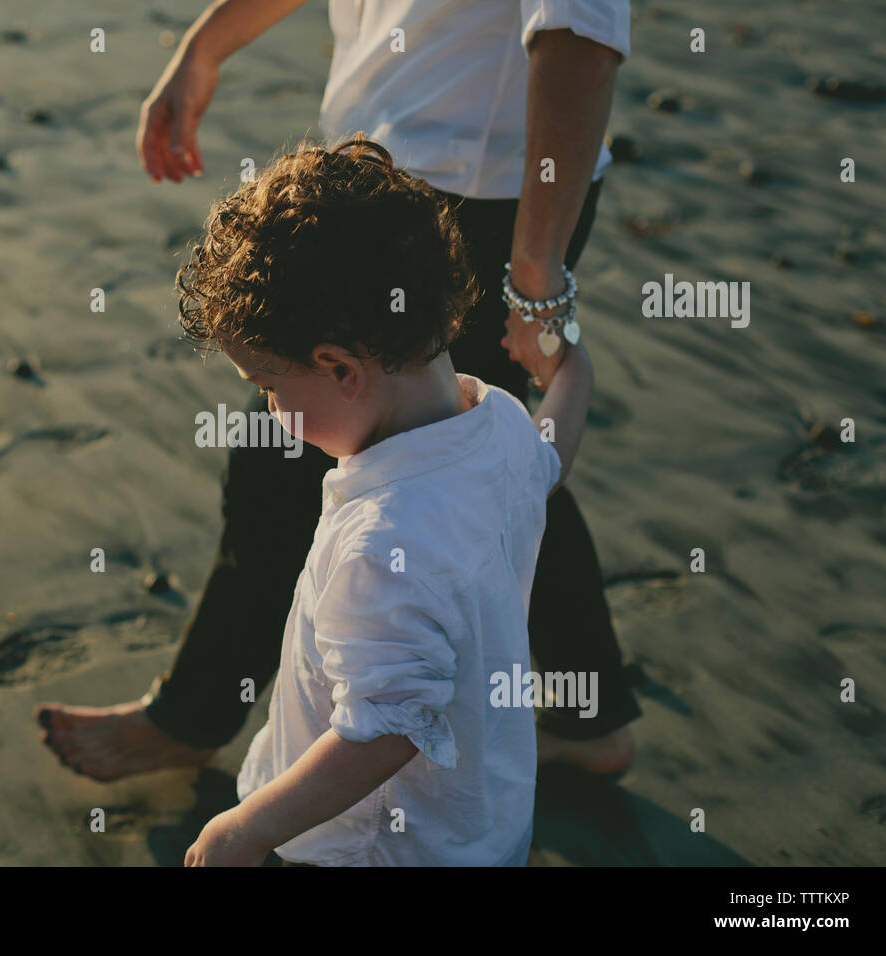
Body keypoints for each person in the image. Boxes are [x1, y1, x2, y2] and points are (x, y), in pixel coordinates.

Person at [39, 0, 640, 781]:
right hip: (373, 172)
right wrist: (204, 45)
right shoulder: (511, 457)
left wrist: (535, 275)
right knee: (480, 459)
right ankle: (588, 719)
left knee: (306, 468)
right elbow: (536, 457)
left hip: (483, 198)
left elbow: (577, 37)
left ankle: (196, 721)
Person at [180, 136, 594, 865]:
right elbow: (551, 450)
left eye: (268, 387)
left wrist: (245, 828)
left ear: (340, 369)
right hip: (481, 826)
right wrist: (569, 361)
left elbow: (388, 728)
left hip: (372, 847)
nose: (271, 409)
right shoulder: (494, 421)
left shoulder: (386, 544)